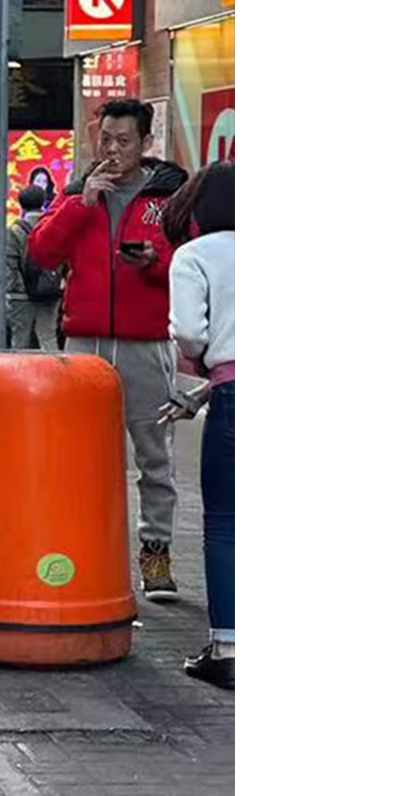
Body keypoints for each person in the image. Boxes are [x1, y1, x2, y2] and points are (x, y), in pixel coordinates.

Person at [26, 98, 189, 600]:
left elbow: (188, 264)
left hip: (147, 345)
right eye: (106, 141)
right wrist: (81, 204)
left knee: (154, 457)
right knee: (83, 456)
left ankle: (156, 554)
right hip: (85, 344)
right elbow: (41, 253)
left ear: (146, 143)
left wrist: (153, 262)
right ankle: (87, 550)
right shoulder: (79, 193)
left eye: (124, 141)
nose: (113, 151)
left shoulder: (168, 197)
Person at [167, 162, 235, 690]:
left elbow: (189, 333)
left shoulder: (195, 255)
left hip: (237, 397)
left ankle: (228, 649)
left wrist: (203, 364)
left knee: (226, 523)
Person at [4, 185, 61, 350]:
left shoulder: (14, 231)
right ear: (44, 202)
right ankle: (53, 366)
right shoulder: (52, 226)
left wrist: (15, 290)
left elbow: (10, 264)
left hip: (21, 296)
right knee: (48, 338)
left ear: (21, 204)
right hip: (49, 291)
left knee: (20, 341)